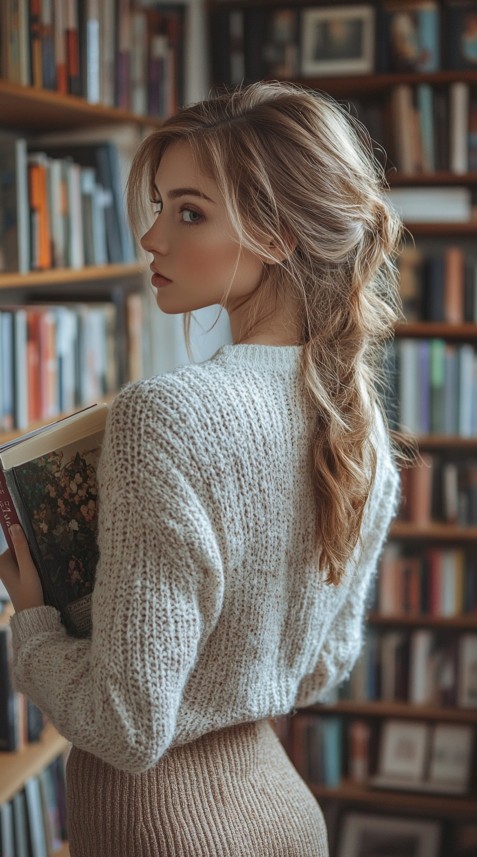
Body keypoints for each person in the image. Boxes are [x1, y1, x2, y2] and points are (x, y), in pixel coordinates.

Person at [0, 81, 401, 856]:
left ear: (278, 234)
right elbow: (323, 663)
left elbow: (126, 726)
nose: (151, 238)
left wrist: (38, 622)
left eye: (188, 212)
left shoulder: (166, 415)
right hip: (280, 808)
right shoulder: (357, 419)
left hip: (162, 827)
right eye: (158, 206)